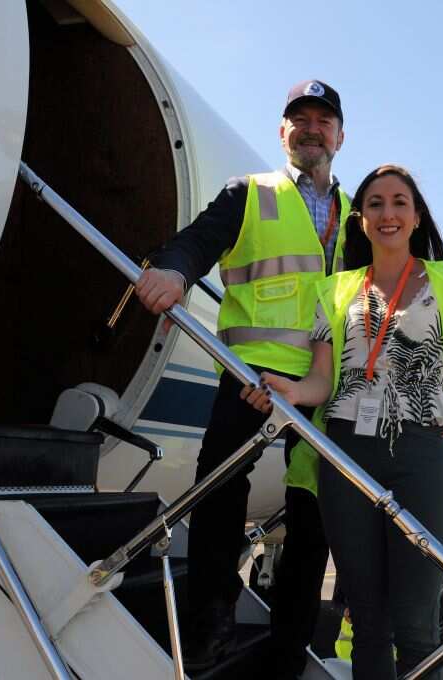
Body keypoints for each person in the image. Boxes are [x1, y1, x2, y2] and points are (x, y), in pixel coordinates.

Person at [241, 164, 443, 679]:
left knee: (417, 622)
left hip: (425, 454)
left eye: (400, 202)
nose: (388, 213)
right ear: (361, 220)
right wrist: (289, 390)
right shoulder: (336, 290)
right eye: (375, 203)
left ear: (417, 215)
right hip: (347, 456)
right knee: (369, 621)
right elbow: (321, 381)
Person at [134, 80, 349, 679]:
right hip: (250, 374)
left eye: (323, 120)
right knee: (218, 490)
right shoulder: (250, 194)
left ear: (340, 135)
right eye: (299, 119)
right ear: (283, 133)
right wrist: (174, 272)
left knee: (312, 513)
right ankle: (211, 617)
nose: (311, 129)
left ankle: (291, 641)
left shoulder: (359, 213)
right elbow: (198, 241)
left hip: (325, 383)